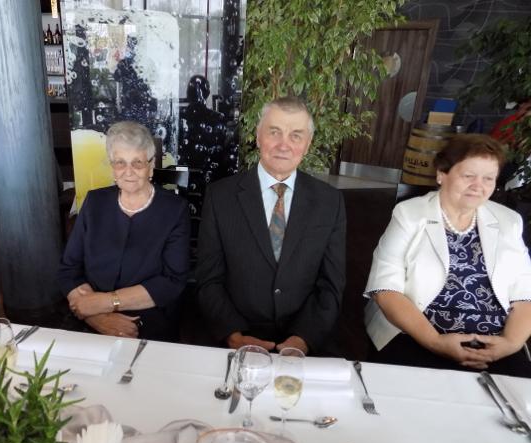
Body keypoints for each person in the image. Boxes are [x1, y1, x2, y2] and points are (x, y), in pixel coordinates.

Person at [364, 134, 531, 377]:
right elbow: (385, 288)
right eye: (468, 176)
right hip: (417, 335)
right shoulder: (409, 214)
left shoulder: (509, 221)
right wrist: (435, 342)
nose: (478, 185)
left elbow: (524, 294)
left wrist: (510, 344)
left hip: (494, 342)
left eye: (488, 178)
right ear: (442, 174)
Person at [196, 97, 346, 355]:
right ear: (258, 136)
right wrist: (233, 334)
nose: (283, 145)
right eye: (274, 132)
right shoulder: (220, 197)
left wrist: (304, 339)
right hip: (237, 338)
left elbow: (331, 285)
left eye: (296, 135)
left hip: (306, 342)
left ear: (307, 144)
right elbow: (208, 278)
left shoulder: (329, 202)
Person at [58, 121, 190, 342]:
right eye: (120, 162)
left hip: (145, 321)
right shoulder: (94, 202)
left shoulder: (175, 210)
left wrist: (105, 303)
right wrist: (97, 317)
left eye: (137, 162)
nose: (128, 172)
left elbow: (172, 281)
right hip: (87, 320)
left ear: (151, 165)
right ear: (112, 166)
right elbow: (69, 270)